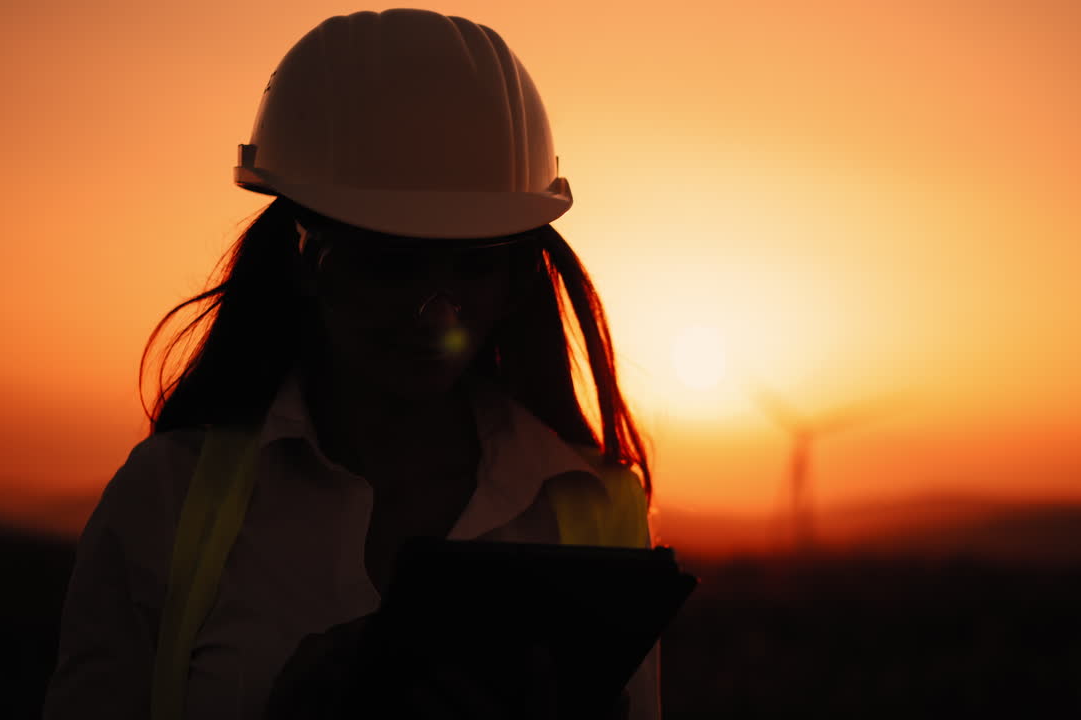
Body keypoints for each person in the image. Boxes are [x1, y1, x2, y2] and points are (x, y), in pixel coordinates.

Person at [43, 8, 660, 720]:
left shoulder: (596, 510)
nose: (436, 314)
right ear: (303, 260)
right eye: (390, 267)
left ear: (520, 281)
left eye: (473, 269)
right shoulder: (163, 503)